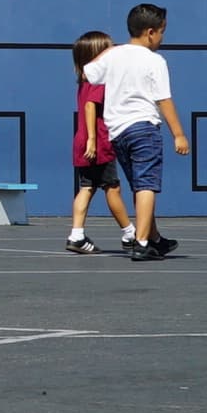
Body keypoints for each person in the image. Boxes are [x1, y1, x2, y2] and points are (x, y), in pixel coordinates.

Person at [84, 3, 189, 261]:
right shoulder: (154, 60)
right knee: (147, 186)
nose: (162, 38)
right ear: (151, 32)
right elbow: (164, 99)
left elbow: (88, 73)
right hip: (143, 127)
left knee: (139, 185)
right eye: (162, 32)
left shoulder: (114, 55)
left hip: (117, 132)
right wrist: (178, 133)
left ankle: (154, 238)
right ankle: (142, 243)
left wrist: (109, 51)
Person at [65, 30, 135, 254]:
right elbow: (89, 107)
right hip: (99, 143)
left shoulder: (83, 81)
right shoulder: (98, 79)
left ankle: (76, 235)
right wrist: (93, 141)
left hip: (82, 141)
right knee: (113, 188)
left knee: (86, 188)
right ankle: (130, 233)